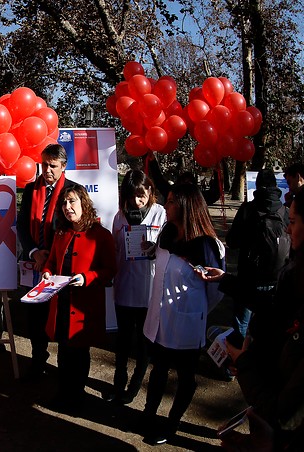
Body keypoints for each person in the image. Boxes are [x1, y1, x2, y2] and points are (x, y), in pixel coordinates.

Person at [198, 188, 304, 450]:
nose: (287, 231)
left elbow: (287, 413)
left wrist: (244, 362)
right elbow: (272, 308)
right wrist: (226, 280)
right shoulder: (295, 270)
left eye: (291, 222)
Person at [141, 183, 225, 445]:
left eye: (171, 202)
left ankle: (171, 425)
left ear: (186, 207)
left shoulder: (207, 246)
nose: (165, 206)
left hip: (187, 322)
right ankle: (149, 415)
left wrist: (195, 312)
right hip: (161, 319)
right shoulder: (167, 233)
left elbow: (217, 289)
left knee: (186, 378)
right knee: (157, 371)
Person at [41, 184, 117, 413]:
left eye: (72, 201)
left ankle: (76, 396)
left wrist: (88, 277)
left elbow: (110, 270)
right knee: (64, 352)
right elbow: (52, 262)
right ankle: (64, 393)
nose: (67, 207)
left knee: (80, 353)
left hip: (84, 306)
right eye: (64, 203)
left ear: (84, 202)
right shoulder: (61, 233)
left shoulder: (101, 235)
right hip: (61, 302)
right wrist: (47, 270)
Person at [104, 170, 166, 405]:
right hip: (124, 286)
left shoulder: (161, 214)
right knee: (122, 341)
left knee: (144, 343)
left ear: (150, 191)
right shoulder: (120, 217)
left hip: (149, 290)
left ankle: (134, 387)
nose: (137, 201)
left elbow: (166, 251)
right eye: (132, 197)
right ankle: (118, 383)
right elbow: (115, 249)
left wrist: (154, 249)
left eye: (141, 195)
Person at [17, 144, 77, 378]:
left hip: (60, 265)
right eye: (44, 165)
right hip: (35, 264)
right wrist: (34, 252)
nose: (48, 170)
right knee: (35, 317)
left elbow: (77, 228)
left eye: (53, 166)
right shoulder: (31, 189)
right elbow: (22, 225)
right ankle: (38, 358)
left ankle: (64, 368)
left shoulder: (73, 192)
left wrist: (51, 257)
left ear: (63, 166)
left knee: (61, 317)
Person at [226, 169, 289, 339]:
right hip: (276, 279)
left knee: (242, 323)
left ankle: (238, 360)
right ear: (276, 186)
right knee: (268, 325)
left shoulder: (248, 209)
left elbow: (232, 242)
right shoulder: (285, 211)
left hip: (249, 278)